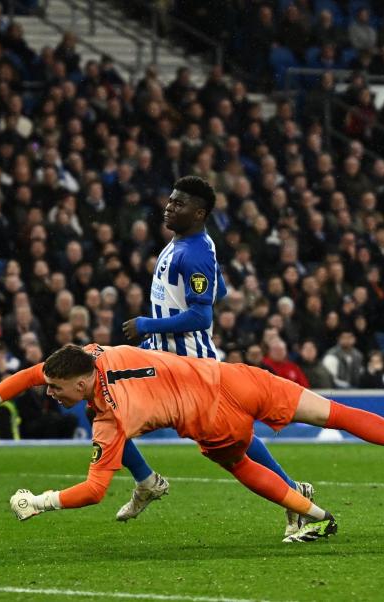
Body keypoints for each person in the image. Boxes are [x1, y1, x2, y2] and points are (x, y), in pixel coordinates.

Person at [0, 343, 384, 543]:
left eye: (57, 389)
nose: (49, 393)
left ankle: (314, 514)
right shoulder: (97, 353)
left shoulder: (109, 419)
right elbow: (32, 375)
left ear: (79, 384)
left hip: (214, 421)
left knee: (240, 464)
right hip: (237, 377)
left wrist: (41, 501)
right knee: (335, 412)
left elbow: (96, 489)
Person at [120, 176, 310, 536]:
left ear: (199, 212)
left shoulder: (192, 252)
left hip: (190, 368)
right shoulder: (188, 244)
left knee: (233, 442)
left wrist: (148, 323)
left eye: (179, 204)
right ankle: (146, 482)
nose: (169, 207)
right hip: (161, 358)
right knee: (103, 406)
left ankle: (293, 495)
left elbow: (202, 315)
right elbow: (216, 289)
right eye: (170, 200)